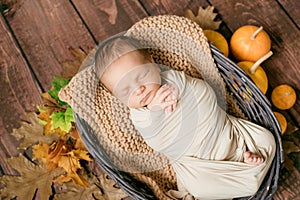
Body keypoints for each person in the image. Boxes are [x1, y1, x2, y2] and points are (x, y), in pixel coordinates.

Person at [94, 35, 276, 199]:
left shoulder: (172, 79)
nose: (138, 89)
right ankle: (245, 169)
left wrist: (174, 91)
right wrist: (156, 109)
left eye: (141, 76)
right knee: (199, 188)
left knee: (267, 139)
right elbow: (156, 139)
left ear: (152, 62)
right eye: (126, 90)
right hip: (198, 163)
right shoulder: (139, 116)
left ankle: (242, 166)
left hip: (227, 132)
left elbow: (195, 90)